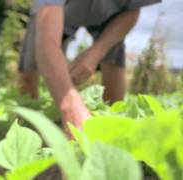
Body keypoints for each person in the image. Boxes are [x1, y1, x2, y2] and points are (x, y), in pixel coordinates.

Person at [18, 0, 161, 131]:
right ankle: (27, 126)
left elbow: (132, 9)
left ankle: (112, 128)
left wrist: (96, 53)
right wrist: (70, 105)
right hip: (59, 11)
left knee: (114, 53)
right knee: (29, 72)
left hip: (109, 15)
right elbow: (47, 40)